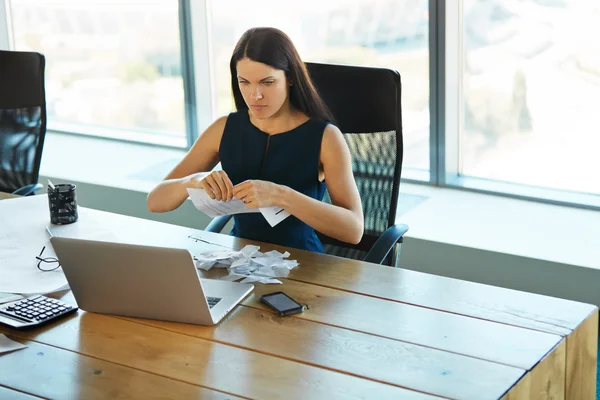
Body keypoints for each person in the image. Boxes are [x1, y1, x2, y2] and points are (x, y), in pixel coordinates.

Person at [147, 27, 363, 253]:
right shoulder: (223, 129)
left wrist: (281, 195)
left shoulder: (325, 137)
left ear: (289, 77)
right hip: (238, 260)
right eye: (244, 82)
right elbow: (155, 201)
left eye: (267, 82)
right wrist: (193, 181)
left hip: (303, 263)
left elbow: (354, 229)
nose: (254, 95)